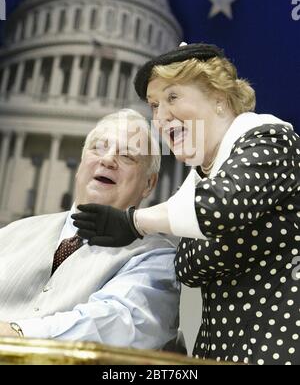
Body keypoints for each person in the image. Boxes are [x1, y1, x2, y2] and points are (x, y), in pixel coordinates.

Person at [73, 43, 300, 365]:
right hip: (216, 354)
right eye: (154, 105)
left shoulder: (271, 139)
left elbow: (218, 208)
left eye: (173, 97)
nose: (161, 116)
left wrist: (133, 223)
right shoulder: (195, 186)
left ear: (219, 99)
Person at [0, 109, 180, 350]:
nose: (107, 160)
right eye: (98, 148)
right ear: (81, 163)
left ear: (149, 183)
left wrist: (19, 334)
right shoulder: (12, 233)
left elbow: (119, 322)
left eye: (127, 155)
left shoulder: (157, 257)